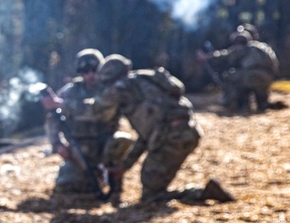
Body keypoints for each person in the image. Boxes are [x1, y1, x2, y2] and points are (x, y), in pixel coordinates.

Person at [95, 55, 234, 204]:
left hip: (170, 138)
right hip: (189, 132)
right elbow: (145, 137)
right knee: (152, 186)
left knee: (151, 194)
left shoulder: (122, 87)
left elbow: (96, 109)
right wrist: (124, 166)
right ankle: (202, 192)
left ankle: (202, 193)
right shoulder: (146, 81)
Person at [40, 48, 134, 204]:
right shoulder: (70, 91)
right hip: (79, 149)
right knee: (66, 186)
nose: (89, 75)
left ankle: (114, 188)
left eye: (93, 70)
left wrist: (64, 105)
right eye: (84, 71)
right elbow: (53, 119)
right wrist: (57, 144)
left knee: (121, 141)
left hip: (105, 145)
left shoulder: (109, 90)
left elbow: (97, 111)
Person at [199, 29, 279, 113]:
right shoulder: (263, 46)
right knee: (260, 98)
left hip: (252, 75)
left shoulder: (244, 48)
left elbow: (225, 54)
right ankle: (262, 104)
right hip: (268, 77)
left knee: (229, 77)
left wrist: (206, 56)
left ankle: (233, 104)